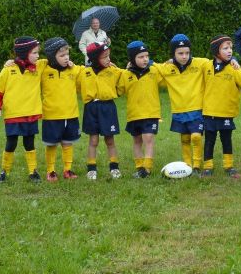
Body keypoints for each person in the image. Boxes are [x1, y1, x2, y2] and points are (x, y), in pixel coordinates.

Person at [0, 36, 43, 182]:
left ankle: (33, 172)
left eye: (38, 53)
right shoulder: (8, 70)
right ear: (24, 53)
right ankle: (4, 172)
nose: (38, 56)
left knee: (29, 143)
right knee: (11, 143)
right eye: (34, 53)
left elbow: (55, 59)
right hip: (13, 115)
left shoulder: (40, 66)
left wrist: (67, 62)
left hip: (31, 114)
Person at [200, 35, 241, 178]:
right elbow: (188, 63)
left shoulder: (234, 69)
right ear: (216, 51)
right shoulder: (205, 66)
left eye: (231, 48)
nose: (230, 51)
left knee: (226, 139)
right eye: (225, 48)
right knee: (209, 139)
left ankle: (229, 166)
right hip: (209, 112)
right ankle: (207, 167)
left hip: (227, 113)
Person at [154, 34, 206, 174]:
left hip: (197, 108)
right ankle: (187, 165)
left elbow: (217, 62)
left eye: (187, 53)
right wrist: (132, 64)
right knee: (184, 138)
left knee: (195, 136)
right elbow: (151, 65)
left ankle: (196, 165)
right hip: (178, 109)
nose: (184, 56)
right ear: (173, 54)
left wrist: (232, 59)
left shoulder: (200, 63)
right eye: (180, 53)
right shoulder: (166, 67)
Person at [118, 41, 163, 178]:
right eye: (141, 57)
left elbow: (168, 72)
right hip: (134, 114)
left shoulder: (154, 71)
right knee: (137, 141)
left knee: (148, 138)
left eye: (146, 56)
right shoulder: (126, 75)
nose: (145, 59)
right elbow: (119, 91)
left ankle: (147, 169)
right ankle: (139, 167)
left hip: (151, 113)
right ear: (132, 59)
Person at [40, 37, 82, 181]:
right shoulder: (43, 68)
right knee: (51, 144)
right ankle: (50, 171)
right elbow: (28, 64)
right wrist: (11, 63)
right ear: (52, 56)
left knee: (67, 142)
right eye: (62, 55)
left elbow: (89, 72)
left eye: (67, 54)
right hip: (51, 116)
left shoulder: (73, 70)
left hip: (70, 115)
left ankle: (67, 170)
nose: (66, 58)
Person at [79, 42, 123, 180]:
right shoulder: (84, 72)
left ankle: (114, 167)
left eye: (108, 56)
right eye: (104, 57)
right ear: (94, 59)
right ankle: (91, 168)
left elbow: (127, 77)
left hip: (107, 107)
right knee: (93, 140)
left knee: (110, 140)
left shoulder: (114, 71)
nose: (108, 59)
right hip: (91, 108)